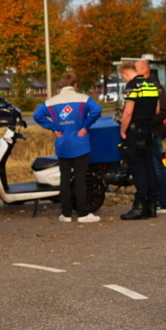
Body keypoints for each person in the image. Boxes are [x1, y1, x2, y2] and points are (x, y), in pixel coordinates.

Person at [33, 72, 103, 223]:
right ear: (75, 85)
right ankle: (83, 214)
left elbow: (37, 115)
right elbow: (97, 110)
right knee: (80, 179)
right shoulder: (83, 99)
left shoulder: (51, 102)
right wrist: (85, 127)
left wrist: (53, 127)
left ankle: (66, 214)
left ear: (61, 85)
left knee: (64, 179)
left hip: (62, 144)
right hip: (80, 144)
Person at [118, 60, 162, 220]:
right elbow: (157, 109)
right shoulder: (151, 84)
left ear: (125, 72)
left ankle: (139, 206)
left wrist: (123, 130)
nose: (124, 79)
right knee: (149, 167)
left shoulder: (131, 86)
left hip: (135, 131)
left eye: (123, 77)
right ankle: (152, 205)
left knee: (138, 168)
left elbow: (128, 112)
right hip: (148, 130)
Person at [149, 68, 166, 213]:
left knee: (157, 167)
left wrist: (150, 123)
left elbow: (163, 110)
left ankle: (162, 203)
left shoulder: (154, 86)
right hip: (153, 131)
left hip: (153, 132)